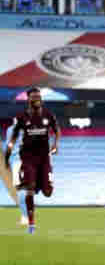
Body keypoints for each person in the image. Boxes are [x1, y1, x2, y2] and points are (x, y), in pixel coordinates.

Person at [5, 87, 60, 234]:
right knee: (23, 189)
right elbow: (11, 143)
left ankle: (26, 212)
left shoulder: (39, 118)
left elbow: (11, 144)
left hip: (30, 159)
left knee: (31, 190)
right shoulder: (19, 124)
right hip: (23, 159)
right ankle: (27, 218)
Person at [3, 119, 27, 226]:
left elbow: (9, 146)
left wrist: (6, 160)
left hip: (17, 161)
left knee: (20, 189)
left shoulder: (11, 129)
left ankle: (25, 217)